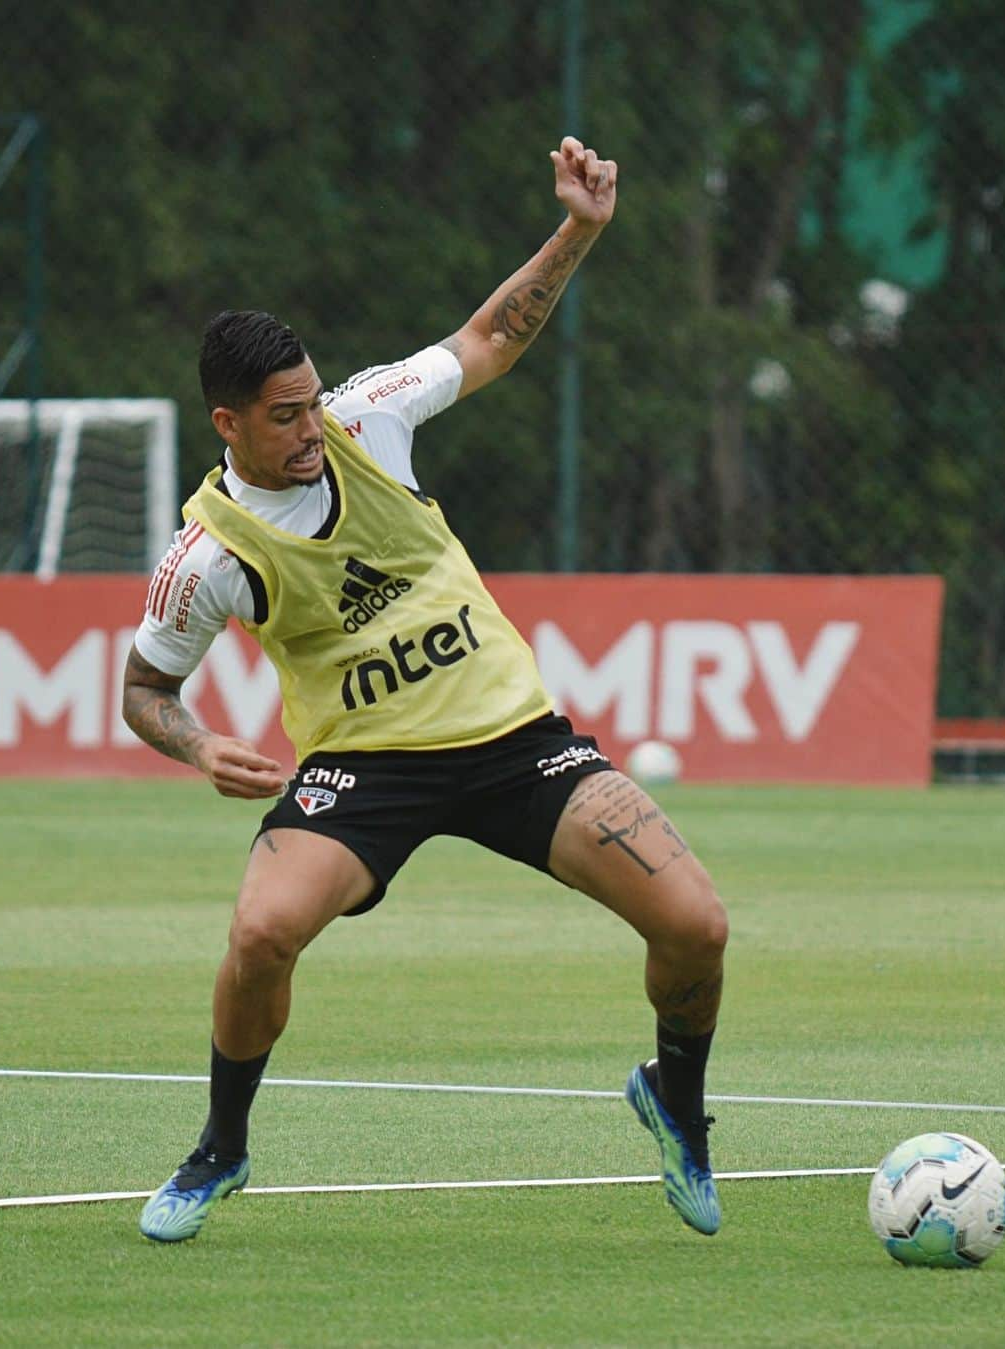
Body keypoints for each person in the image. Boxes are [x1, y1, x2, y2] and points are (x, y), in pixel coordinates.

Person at [125, 136, 728, 1244]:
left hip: (517, 742)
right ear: (227, 424)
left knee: (697, 924)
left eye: (311, 404)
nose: (310, 430)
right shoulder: (205, 558)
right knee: (261, 932)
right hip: (366, 771)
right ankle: (220, 1148)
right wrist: (202, 745)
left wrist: (581, 229)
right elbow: (145, 689)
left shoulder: (369, 418)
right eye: (282, 416)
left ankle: (677, 1104)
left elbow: (492, 334)